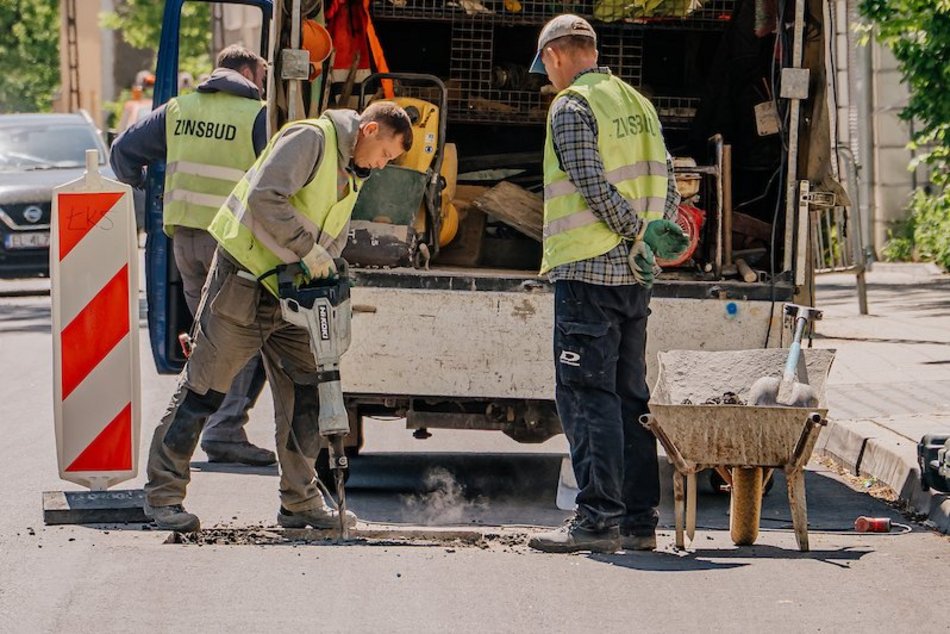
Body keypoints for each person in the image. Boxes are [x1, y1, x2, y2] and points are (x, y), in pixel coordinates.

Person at [142, 101, 413, 532]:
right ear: (370, 129)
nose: (382, 164)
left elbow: (329, 231)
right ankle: (164, 496)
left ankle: (300, 502)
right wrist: (309, 249)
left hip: (290, 295)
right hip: (244, 282)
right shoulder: (310, 139)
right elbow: (265, 197)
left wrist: (328, 267)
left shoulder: (351, 170)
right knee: (204, 391)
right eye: (385, 153)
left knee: (308, 393)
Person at [525, 15, 689, 554]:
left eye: (545, 67)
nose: (548, 78)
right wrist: (650, 240)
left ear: (554, 55)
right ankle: (640, 521)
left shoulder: (571, 105)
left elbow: (589, 181)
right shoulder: (637, 104)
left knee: (585, 394)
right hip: (632, 277)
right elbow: (668, 177)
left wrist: (636, 231)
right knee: (628, 397)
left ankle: (596, 519)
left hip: (588, 271)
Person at [110, 45, 275, 467]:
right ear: (245, 69)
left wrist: (146, 187)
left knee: (208, 336)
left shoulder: (179, 109)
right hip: (233, 245)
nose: (263, 83)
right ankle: (223, 430)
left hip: (185, 241)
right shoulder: (257, 116)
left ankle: (206, 429)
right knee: (242, 334)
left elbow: (122, 153)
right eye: (261, 73)